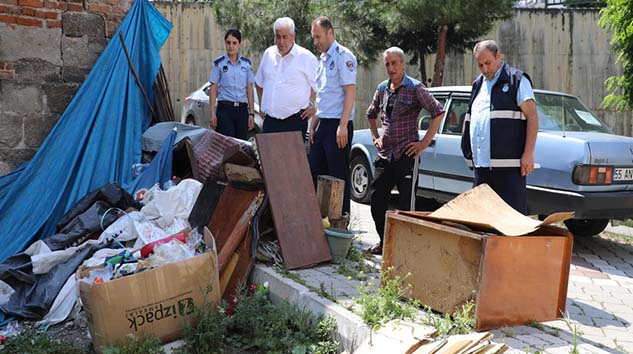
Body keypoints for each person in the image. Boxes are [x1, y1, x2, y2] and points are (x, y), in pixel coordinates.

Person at [364, 47, 445, 255]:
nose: (391, 68)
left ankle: (404, 250)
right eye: (387, 64)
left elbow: (438, 112)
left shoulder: (415, 88)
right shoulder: (382, 88)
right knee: (376, 200)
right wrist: (376, 137)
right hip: (385, 155)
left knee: (406, 205)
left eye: (394, 63)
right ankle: (384, 243)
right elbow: (370, 114)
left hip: (407, 155)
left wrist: (424, 142)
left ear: (402, 64)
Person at [460, 40, 538, 214]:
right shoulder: (477, 85)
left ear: (498, 56)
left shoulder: (516, 80)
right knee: (482, 222)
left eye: (487, 63)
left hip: (509, 170)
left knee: (511, 222)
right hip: (482, 169)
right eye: (480, 65)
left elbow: (532, 116)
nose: (484, 69)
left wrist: (528, 153)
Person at [308, 16, 357, 215]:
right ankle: (320, 219)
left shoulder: (343, 56)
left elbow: (350, 92)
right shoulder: (323, 60)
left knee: (338, 176)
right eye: (314, 38)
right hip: (323, 124)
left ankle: (341, 222)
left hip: (339, 124)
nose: (316, 42)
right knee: (315, 173)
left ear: (330, 33)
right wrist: (313, 124)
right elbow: (322, 95)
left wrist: (343, 125)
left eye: (318, 37)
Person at [255, 17, 318, 139]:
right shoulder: (268, 54)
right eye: (278, 37)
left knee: (292, 158)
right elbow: (259, 82)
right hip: (270, 122)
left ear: (293, 36)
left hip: (294, 122)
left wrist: (314, 109)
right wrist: (263, 107)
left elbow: (320, 88)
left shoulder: (306, 58)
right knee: (270, 158)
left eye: (285, 37)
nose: (281, 41)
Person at [208, 29, 255, 140]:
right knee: (227, 145)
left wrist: (251, 113)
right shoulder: (219, 64)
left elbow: (249, 89)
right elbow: (213, 89)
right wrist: (212, 113)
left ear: (239, 44)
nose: (231, 46)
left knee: (241, 145)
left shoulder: (246, 64)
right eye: (228, 42)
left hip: (242, 111)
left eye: (234, 43)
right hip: (225, 110)